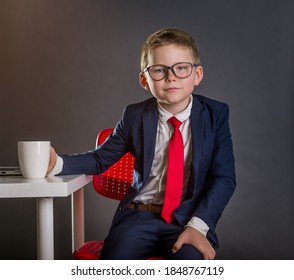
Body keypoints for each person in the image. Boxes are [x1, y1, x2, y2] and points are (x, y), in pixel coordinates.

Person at [48, 28, 236, 260]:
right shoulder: (135, 115)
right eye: (159, 70)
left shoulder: (215, 115)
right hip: (139, 216)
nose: (171, 77)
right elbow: (100, 159)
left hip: (189, 219)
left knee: (189, 263)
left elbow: (224, 178)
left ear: (197, 75)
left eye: (181, 68)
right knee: (115, 261)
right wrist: (56, 163)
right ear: (144, 80)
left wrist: (198, 226)